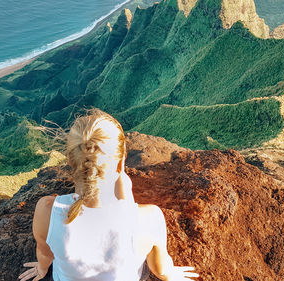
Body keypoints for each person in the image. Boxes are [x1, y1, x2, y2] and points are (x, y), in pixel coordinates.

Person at [18, 109, 199, 281]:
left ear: (70, 161)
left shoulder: (46, 210)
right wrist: (170, 274)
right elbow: (159, 269)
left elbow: (45, 254)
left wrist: (42, 269)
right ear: (120, 162)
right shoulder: (149, 219)